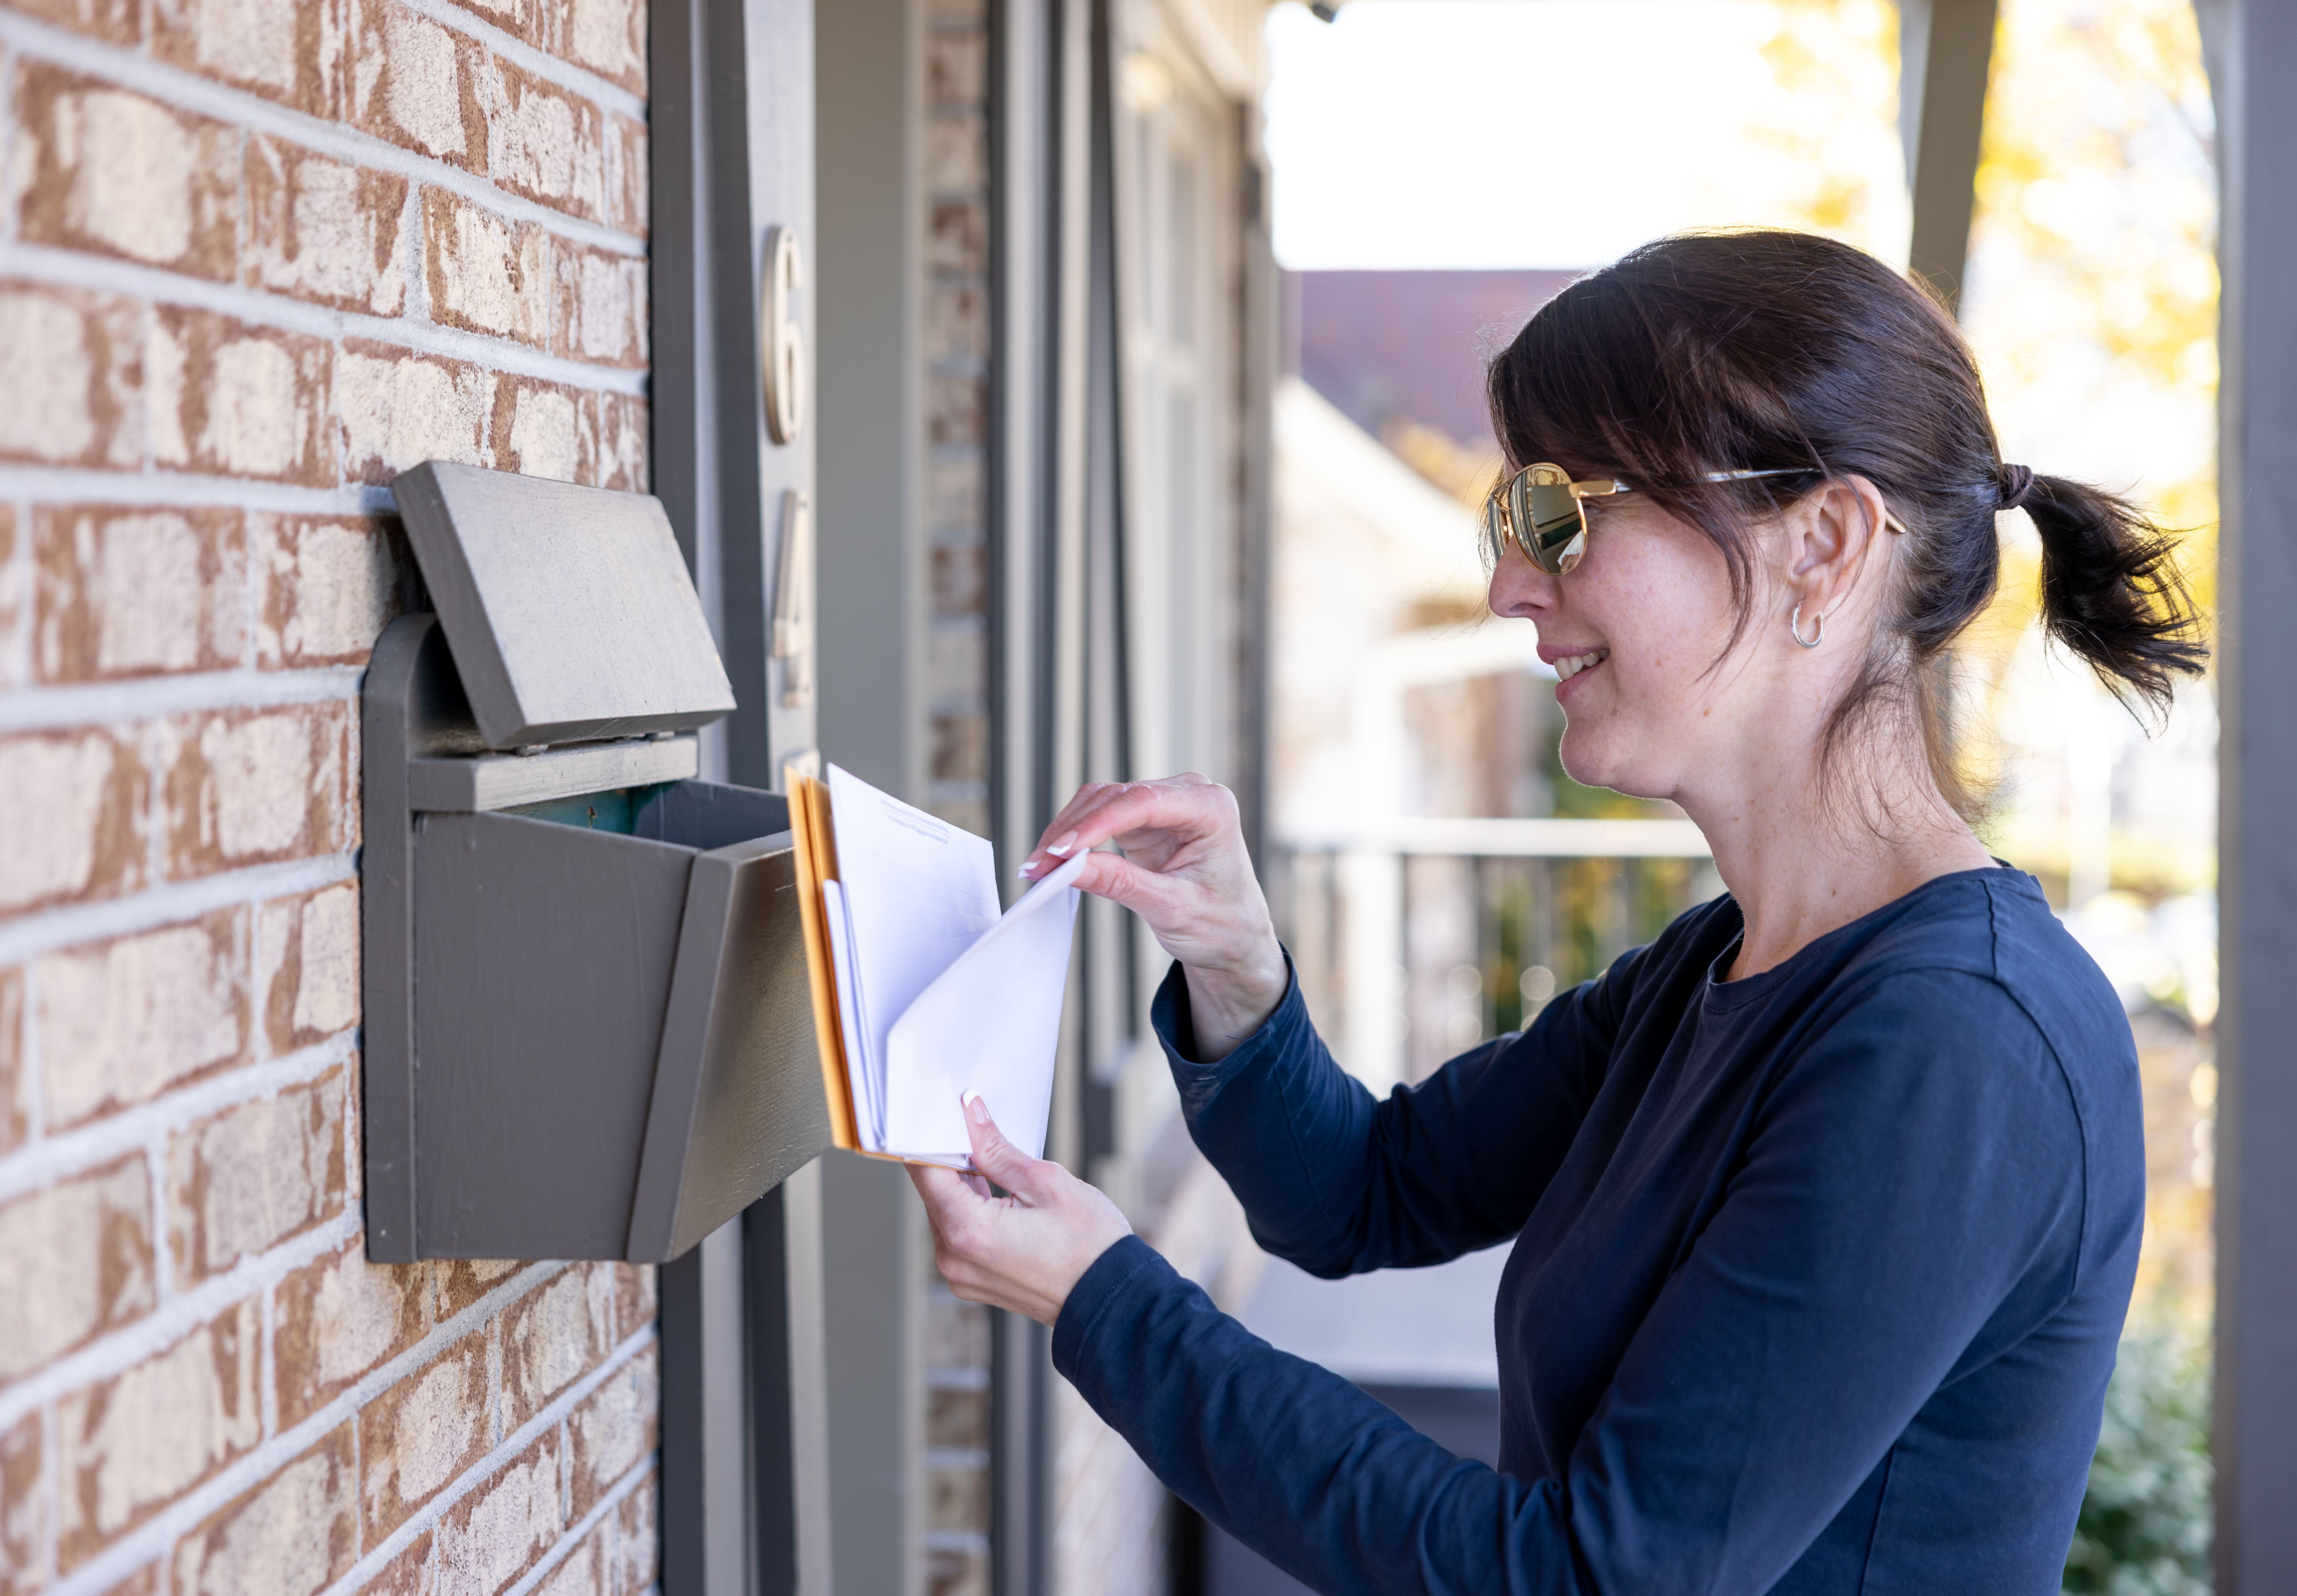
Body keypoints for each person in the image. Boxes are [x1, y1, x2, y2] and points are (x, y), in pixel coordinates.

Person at [908, 229, 2207, 1594]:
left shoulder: (1961, 1049)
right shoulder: (1715, 971)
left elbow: (1590, 1576)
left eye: (1565, 516)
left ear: (1823, 544)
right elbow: (1364, 1195)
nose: (1512, 585)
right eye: (1515, 519)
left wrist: (1111, 1305)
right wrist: (1234, 960)